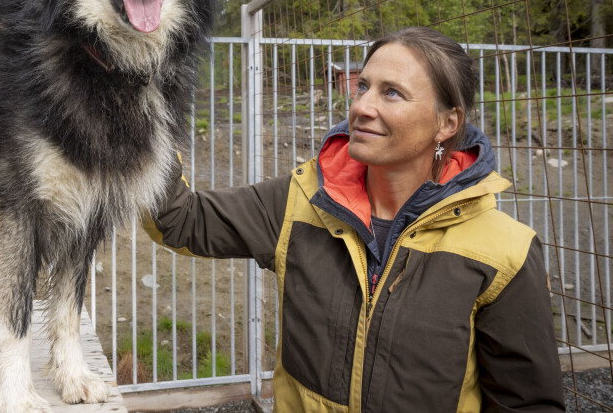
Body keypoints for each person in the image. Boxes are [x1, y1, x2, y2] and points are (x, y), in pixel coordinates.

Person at [144, 27, 565, 412]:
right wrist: (142, 106)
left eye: (392, 93)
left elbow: (526, 404)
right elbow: (179, 219)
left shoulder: (505, 252)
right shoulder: (301, 199)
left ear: (447, 123)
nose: (361, 106)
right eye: (363, 86)